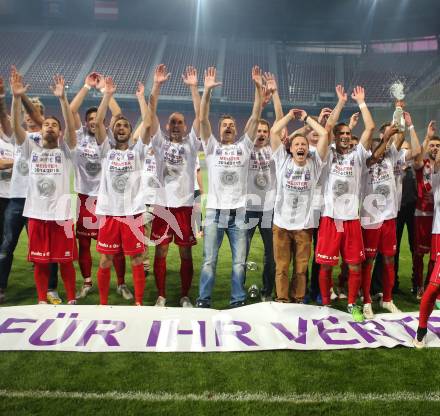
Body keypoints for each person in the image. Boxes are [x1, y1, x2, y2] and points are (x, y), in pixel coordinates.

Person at [196, 66, 263, 308]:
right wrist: (207, 92)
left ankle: (238, 301)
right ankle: (203, 300)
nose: (227, 127)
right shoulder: (211, 146)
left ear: (236, 130)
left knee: (239, 262)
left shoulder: (244, 147)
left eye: (231, 125)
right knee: (208, 261)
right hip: (215, 212)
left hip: (239, 214)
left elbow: (255, 117)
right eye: (224, 124)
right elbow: (202, 119)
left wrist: (257, 88)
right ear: (218, 128)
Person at [11, 73, 78, 304]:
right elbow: (15, 128)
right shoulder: (32, 150)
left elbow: (70, 127)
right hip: (37, 215)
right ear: (40, 131)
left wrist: (62, 98)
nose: (50, 126)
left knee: (66, 261)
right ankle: (41, 300)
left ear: (59, 133)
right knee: (40, 262)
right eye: (46, 124)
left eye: (54, 125)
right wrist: (17, 97)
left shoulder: (66, 152)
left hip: (62, 217)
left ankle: (71, 300)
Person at [69, 72, 132, 300]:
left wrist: (107, 91)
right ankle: (87, 282)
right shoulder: (78, 137)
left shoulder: (108, 139)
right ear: (86, 122)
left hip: (108, 200)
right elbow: (72, 111)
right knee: (84, 242)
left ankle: (121, 283)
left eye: (98, 118)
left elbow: (118, 114)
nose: (94, 121)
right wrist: (86, 86)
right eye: (90, 119)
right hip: (85, 198)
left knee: (116, 247)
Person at [316, 85, 375, 322]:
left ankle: (352, 304)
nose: (343, 137)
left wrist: (361, 102)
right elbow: (328, 127)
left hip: (351, 219)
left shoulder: (357, 156)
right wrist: (340, 103)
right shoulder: (328, 155)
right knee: (326, 266)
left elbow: (370, 128)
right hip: (331, 218)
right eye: (340, 135)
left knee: (354, 267)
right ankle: (326, 304)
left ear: (351, 138)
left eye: (347, 135)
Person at [94, 77, 151, 306]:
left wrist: (140, 98)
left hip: (133, 213)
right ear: (112, 130)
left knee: (137, 258)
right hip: (109, 213)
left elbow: (147, 123)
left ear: (129, 131)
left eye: (125, 125)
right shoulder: (105, 150)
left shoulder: (138, 152)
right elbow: (98, 123)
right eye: (117, 125)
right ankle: (103, 303)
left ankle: (138, 303)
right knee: (106, 259)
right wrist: (106, 94)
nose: (121, 128)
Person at [148, 65, 201, 308]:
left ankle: (184, 295)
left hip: (184, 208)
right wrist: (156, 86)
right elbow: (150, 114)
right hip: (162, 208)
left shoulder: (191, 145)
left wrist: (193, 88)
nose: (177, 125)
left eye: (180, 122)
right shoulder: (159, 143)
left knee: (185, 253)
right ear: (167, 127)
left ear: (185, 126)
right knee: (160, 253)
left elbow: (200, 116)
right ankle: (161, 295)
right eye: (173, 122)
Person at [360, 117, 420, 319]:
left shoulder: (392, 156)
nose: (386, 144)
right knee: (368, 261)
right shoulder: (365, 158)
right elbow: (377, 152)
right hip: (370, 219)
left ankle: (387, 299)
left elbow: (401, 138)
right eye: (383, 140)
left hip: (389, 218)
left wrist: (400, 115)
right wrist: (386, 137)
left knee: (388, 259)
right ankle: (366, 300)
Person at [270, 108, 328, 303]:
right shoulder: (282, 160)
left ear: (308, 148)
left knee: (301, 269)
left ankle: (297, 300)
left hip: (304, 226)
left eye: (304, 143)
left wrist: (306, 118)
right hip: (281, 224)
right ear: (291, 148)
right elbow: (273, 132)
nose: (301, 146)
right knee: (282, 267)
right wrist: (289, 117)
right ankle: (282, 300)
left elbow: (324, 133)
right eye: (297, 144)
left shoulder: (315, 163)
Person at [244, 72, 282, 302]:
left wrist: (275, 94)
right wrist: (258, 93)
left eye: (264, 132)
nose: (260, 134)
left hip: (269, 209)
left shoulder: (274, 150)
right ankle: (239, 291)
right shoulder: (246, 149)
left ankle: (268, 290)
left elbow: (279, 119)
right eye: (258, 131)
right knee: (242, 253)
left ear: (270, 135)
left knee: (272, 255)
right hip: (248, 208)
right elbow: (252, 118)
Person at [414, 136, 440, 348]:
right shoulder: (437, 173)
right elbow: (435, 162)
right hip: (439, 233)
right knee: (434, 287)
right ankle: (421, 331)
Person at [412, 121, 438, 299]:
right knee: (419, 253)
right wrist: (427, 137)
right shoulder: (423, 162)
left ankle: (431, 285)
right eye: (432, 145)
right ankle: (419, 285)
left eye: (438, 145)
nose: (435, 148)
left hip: (437, 216)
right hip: (422, 214)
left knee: (435, 256)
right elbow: (417, 160)